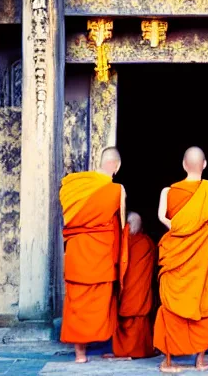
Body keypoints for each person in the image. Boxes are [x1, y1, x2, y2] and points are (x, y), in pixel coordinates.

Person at [154, 147, 208, 373]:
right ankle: (200, 360)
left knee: (172, 306)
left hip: (177, 256)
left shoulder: (168, 191)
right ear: (205, 164)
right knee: (205, 305)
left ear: (183, 164)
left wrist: (179, 228)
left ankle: (168, 361)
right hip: (206, 263)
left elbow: (162, 217)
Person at [59, 147, 126, 363]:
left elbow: (69, 218)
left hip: (77, 255)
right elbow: (123, 225)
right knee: (101, 303)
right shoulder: (117, 190)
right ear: (117, 166)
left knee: (77, 304)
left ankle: (80, 355)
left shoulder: (73, 185)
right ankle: (116, 346)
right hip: (100, 256)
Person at [109, 211, 157, 359]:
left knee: (126, 312)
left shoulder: (120, 243)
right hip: (139, 293)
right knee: (139, 316)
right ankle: (140, 350)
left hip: (125, 293)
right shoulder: (146, 242)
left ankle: (123, 351)